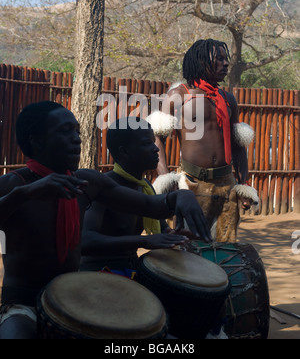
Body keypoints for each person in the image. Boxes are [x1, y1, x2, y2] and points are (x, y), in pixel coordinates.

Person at [0, 101, 211, 339]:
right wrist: (24, 195)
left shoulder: (87, 182)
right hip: (23, 302)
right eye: (65, 131)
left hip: (75, 294)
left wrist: (180, 196)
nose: (76, 139)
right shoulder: (14, 184)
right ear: (36, 140)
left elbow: (151, 206)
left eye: (77, 131)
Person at [147, 39, 259, 243]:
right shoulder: (179, 95)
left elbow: (238, 146)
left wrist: (244, 185)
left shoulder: (227, 99)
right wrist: (166, 179)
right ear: (201, 61)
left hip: (226, 186)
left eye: (226, 59)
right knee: (189, 250)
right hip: (191, 186)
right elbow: (156, 137)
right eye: (219, 59)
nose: (225, 64)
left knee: (225, 248)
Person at [80, 117, 187, 277]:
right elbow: (85, 240)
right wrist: (143, 241)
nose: (156, 149)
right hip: (98, 274)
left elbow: (162, 229)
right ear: (124, 151)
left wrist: (177, 235)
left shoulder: (145, 186)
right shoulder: (104, 188)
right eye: (146, 144)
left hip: (131, 269)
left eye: (153, 142)